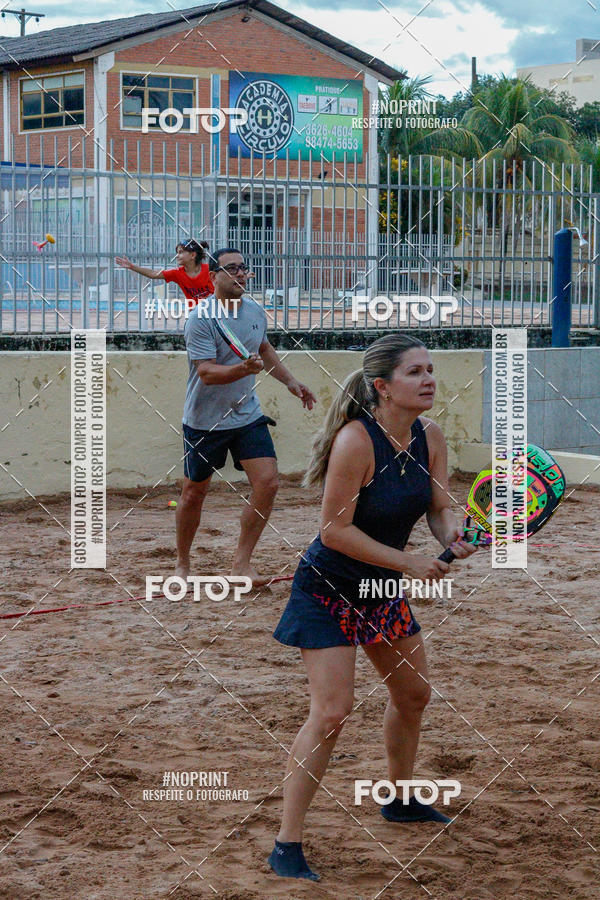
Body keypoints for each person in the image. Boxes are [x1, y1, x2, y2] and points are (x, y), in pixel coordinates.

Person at [268, 333, 478, 881]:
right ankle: (287, 843)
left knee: (413, 695)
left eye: (431, 369)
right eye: (415, 372)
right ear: (382, 386)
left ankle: (400, 798)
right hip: (329, 588)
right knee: (332, 712)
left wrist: (455, 532)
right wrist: (409, 565)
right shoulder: (356, 442)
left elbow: (438, 507)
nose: (429, 379)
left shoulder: (430, 435)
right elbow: (334, 531)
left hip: (381, 589)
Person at [177, 247, 316, 587]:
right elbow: (207, 373)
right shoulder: (201, 318)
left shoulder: (253, 309)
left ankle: (242, 564)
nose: (240, 274)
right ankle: (182, 562)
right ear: (212, 277)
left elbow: (264, 347)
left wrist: (290, 382)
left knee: (268, 482)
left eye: (244, 268)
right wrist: (242, 368)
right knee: (195, 493)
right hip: (205, 420)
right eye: (231, 269)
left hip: (246, 414)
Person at [115, 238, 213, 307]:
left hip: (216, 313)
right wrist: (132, 266)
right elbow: (154, 274)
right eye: (177, 253)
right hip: (196, 315)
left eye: (181, 252)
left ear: (192, 255)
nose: (177, 256)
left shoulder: (210, 270)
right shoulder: (177, 273)